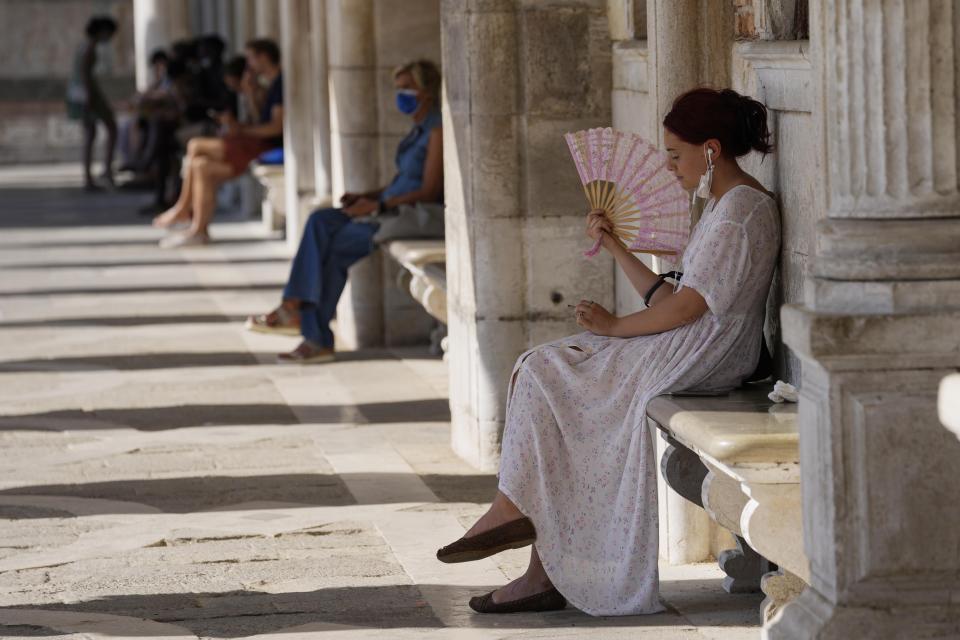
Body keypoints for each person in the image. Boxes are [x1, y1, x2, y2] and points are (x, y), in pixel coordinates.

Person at [434, 87, 780, 615]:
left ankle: (516, 515)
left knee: (550, 370)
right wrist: (617, 245)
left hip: (707, 351)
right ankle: (537, 558)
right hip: (688, 340)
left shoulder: (740, 214)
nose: (668, 167)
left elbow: (688, 310)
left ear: (710, 150)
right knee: (546, 371)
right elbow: (674, 294)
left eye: (674, 154)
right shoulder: (723, 206)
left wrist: (618, 327)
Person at [244, 60, 444, 364]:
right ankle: (300, 317)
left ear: (426, 91)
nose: (401, 94)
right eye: (399, 88)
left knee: (334, 249)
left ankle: (306, 326)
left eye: (407, 88)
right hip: (387, 208)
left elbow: (429, 190)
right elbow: (399, 182)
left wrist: (377, 205)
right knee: (320, 219)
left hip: (409, 215)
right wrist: (366, 196)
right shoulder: (417, 129)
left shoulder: (437, 129)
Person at [152, 39, 284, 248]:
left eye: (250, 58)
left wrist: (240, 129)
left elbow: (276, 128)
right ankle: (198, 229)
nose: (248, 65)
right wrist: (250, 94)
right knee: (200, 167)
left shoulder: (280, 84)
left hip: (263, 146)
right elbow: (259, 119)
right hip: (254, 141)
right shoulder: (268, 84)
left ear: (263, 57)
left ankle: (183, 209)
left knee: (195, 145)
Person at [67, 15, 119, 191]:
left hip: (82, 92)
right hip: (87, 93)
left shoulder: (85, 46)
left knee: (92, 133)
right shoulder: (89, 48)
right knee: (106, 128)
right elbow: (84, 75)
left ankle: (93, 175)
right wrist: (89, 97)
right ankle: (101, 173)